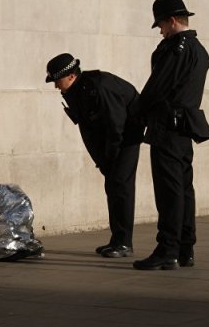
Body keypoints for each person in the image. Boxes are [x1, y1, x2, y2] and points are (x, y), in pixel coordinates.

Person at [132, 0, 209, 271]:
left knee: (169, 191)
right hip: (184, 128)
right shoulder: (199, 50)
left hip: (167, 127)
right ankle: (185, 247)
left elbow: (157, 87)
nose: (161, 31)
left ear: (173, 20)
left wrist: (136, 113)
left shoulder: (176, 49)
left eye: (162, 25)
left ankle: (168, 248)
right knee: (184, 189)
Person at [45, 53, 143, 258]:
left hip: (126, 135)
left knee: (121, 186)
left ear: (71, 76)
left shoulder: (98, 87)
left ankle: (124, 243)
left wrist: (112, 157)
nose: (56, 86)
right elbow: (91, 130)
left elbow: (116, 125)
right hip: (112, 141)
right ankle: (118, 240)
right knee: (113, 186)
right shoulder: (78, 91)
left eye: (57, 80)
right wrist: (103, 160)